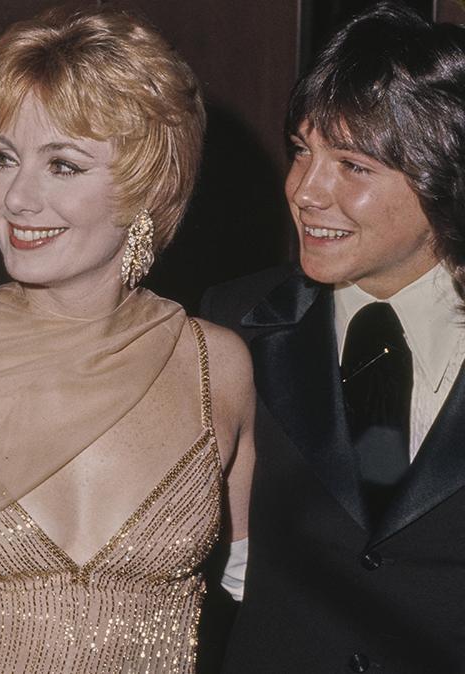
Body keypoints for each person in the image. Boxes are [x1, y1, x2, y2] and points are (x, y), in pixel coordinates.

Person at [0, 7, 255, 673]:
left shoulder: (216, 365)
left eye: (63, 166)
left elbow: (255, 598)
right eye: (4, 158)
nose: (17, 198)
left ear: (147, 185)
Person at [202, 3, 465, 671]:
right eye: (301, 150)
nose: (304, 190)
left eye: (352, 165)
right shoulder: (235, 324)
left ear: (445, 178)